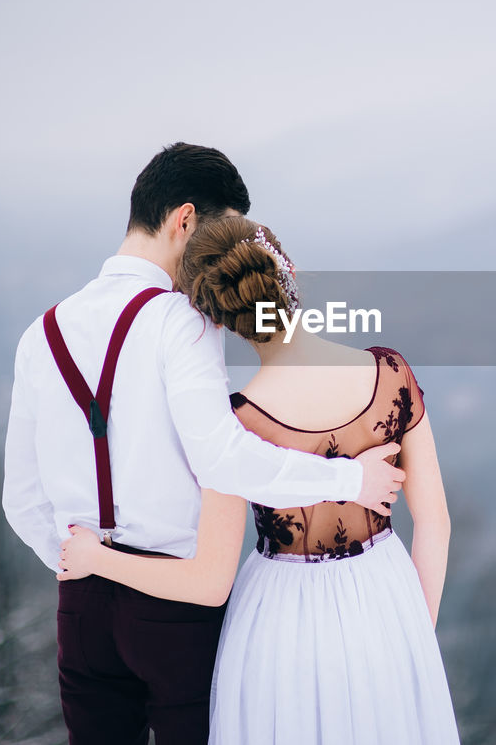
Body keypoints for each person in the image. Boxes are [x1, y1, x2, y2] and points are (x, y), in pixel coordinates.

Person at [2, 143, 406, 745]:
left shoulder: (42, 333)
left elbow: (21, 501)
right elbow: (222, 457)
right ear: (184, 220)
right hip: (173, 609)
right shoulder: (181, 322)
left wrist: (83, 570)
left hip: (80, 608)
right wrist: (350, 479)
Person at [57, 216, 460, 744]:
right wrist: (413, 638)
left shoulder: (235, 427)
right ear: (287, 271)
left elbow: (208, 583)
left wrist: (97, 559)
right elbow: (436, 525)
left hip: (278, 631)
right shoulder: (391, 374)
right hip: (384, 603)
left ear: (217, 319)